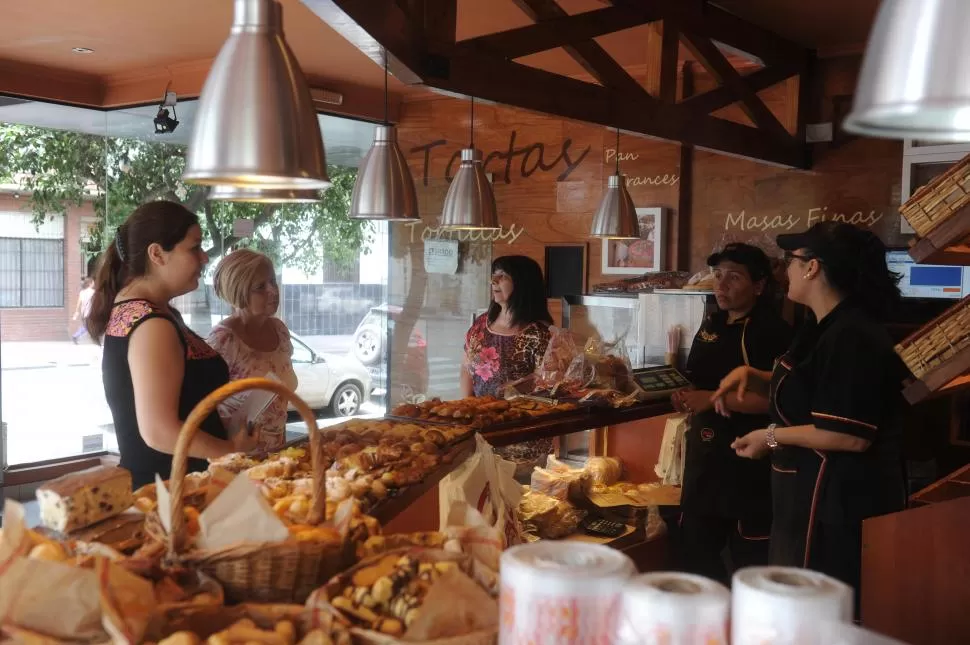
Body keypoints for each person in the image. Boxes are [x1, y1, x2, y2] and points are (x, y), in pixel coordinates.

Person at [713, 222, 907, 606]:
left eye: (790, 260)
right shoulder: (823, 324)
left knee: (820, 611)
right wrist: (757, 376)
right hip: (803, 497)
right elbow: (813, 385)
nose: (785, 270)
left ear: (813, 267)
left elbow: (849, 434)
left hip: (836, 504)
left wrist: (769, 437)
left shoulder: (853, 335)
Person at [87, 201, 255, 487]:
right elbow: (159, 430)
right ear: (157, 254)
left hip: (175, 486)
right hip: (174, 492)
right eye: (194, 248)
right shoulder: (152, 324)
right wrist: (230, 451)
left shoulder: (149, 312)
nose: (204, 257)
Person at [672, 243, 792, 583]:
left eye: (734, 277)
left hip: (747, 462)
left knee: (750, 564)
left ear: (759, 286)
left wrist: (709, 399)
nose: (720, 285)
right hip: (704, 461)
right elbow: (698, 378)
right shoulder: (712, 322)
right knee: (696, 556)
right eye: (718, 275)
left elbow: (778, 402)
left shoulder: (772, 331)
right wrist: (682, 394)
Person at [461, 255, 553, 476]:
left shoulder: (540, 333)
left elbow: (548, 389)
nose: (494, 282)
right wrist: (467, 411)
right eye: (493, 276)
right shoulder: (481, 323)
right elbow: (466, 367)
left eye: (502, 277)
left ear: (522, 283)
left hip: (522, 440)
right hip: (481, 433)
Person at [208, 249, 297, 451]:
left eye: (273, 282)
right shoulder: (223, 340)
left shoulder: (280, 330)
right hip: (236, 456)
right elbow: (203, 408)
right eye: (260, 287)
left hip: (278, 451)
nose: (273, 291)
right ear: (239, 291)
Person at [71, 277, 95, 344]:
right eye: (93, 282)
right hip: (90, 313)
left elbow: (79, 303)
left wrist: (76, 312)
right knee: (88, 327)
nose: (94, 283)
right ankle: (75, 336)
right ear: (90, 284)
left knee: (87, 326)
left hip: (83, 313)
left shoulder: (82, 292)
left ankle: (76, 336)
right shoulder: (93, 292)